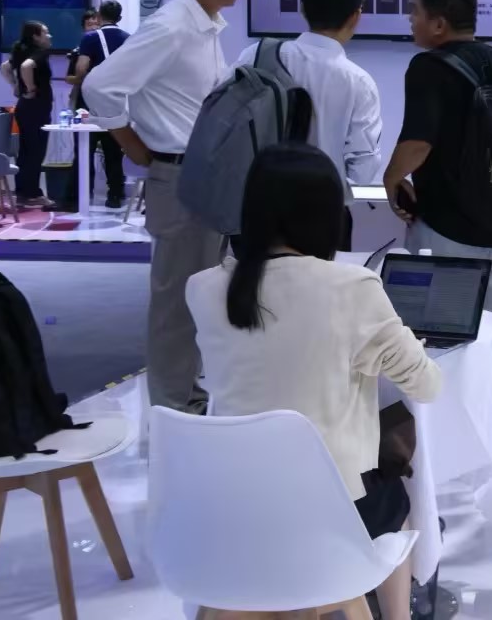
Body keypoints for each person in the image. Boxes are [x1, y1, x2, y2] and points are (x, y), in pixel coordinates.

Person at [187, 143, 441, 620]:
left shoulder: (203, 288)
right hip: (331, 515)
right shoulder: (352, 288)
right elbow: (426, 385)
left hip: (231, 508)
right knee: (396, 493)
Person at [84, 0, 243, 413]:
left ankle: (188, 398)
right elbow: (99, 86)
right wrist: (132, 145)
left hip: (205, 176)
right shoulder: (171, 27)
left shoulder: (205, 26)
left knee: (202, 295)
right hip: (179, 177)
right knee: (178, 300)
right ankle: (174, 408)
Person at [383, 0, 492, 321]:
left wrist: (391, 178)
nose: (410, 20)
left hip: (447, 230)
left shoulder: (428, 68)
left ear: (438, 24)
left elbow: (418, 144)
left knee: (438, 337)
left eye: (415, 12)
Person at [240, 0, 382, 249]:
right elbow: (364, 162)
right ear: (356, 16)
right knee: (320, 277)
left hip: (258, 203)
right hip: (324, 211)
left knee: (256, 274)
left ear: (303, 8)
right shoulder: (358, 81)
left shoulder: (255, 55)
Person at [71, 1, 130, 210]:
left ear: (99, 15)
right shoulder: (128, 39)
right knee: (113, 150)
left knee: (84, 147)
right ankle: (115, 195)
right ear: (119, 17)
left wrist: (86, 81)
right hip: (116, 100)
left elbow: (81, 68)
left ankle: (81, 196)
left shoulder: (90, 38)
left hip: (90, 101)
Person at [4, 21, 55, 210]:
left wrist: (15, 85)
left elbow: (5, 67)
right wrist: (31, 88)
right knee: (36, 151)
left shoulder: (21, 50)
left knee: (25, 151)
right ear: (36, 37)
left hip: (24, 107)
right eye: (45, 33)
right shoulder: (39, 53)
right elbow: (26, 67)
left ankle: (23, 192)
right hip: (36, 108)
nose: (49, 36)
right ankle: (33, 194)